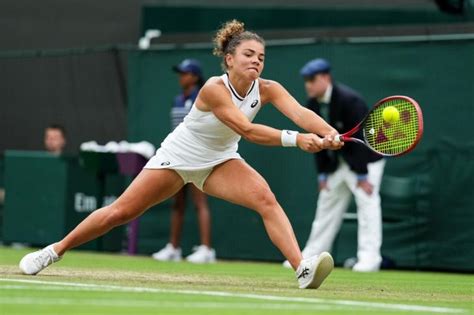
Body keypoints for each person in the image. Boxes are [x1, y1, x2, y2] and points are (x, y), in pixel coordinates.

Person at [19, 20, 343, 289]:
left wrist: (328, 132)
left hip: (220, 160)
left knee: (265, 198)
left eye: (261, 56)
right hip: (178, 157)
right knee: (120, 213)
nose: (256, 60)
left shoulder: (268, 88)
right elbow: (247, 130)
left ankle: (301, 268)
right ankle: (54, 250)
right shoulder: (214, 89)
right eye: (248, 54)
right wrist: (297, 140)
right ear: (229, 59)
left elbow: (301, 113)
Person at [283, 58, 385, 272]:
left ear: (326, 78)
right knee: (326, 207)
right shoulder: (312, 104)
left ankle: (369, 259)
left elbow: (362, 140)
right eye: (306, 80)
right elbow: (316, 139)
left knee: (367, 207)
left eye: (312, 79)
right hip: (336, 164)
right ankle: (309, 257)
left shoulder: (350, 100)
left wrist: (362, 174)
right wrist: (322, 173)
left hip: (365, 162)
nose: (308, 84)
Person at [151, 59, 216, 263]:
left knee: (199, 202)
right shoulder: (177, 99)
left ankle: (206, 250)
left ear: (195, 77)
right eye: (180, 73)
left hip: (198, 157)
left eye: (185, 73)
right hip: (177, 156)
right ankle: (174, 248)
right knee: (177, 204)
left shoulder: (203, 98)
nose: (181, 77)